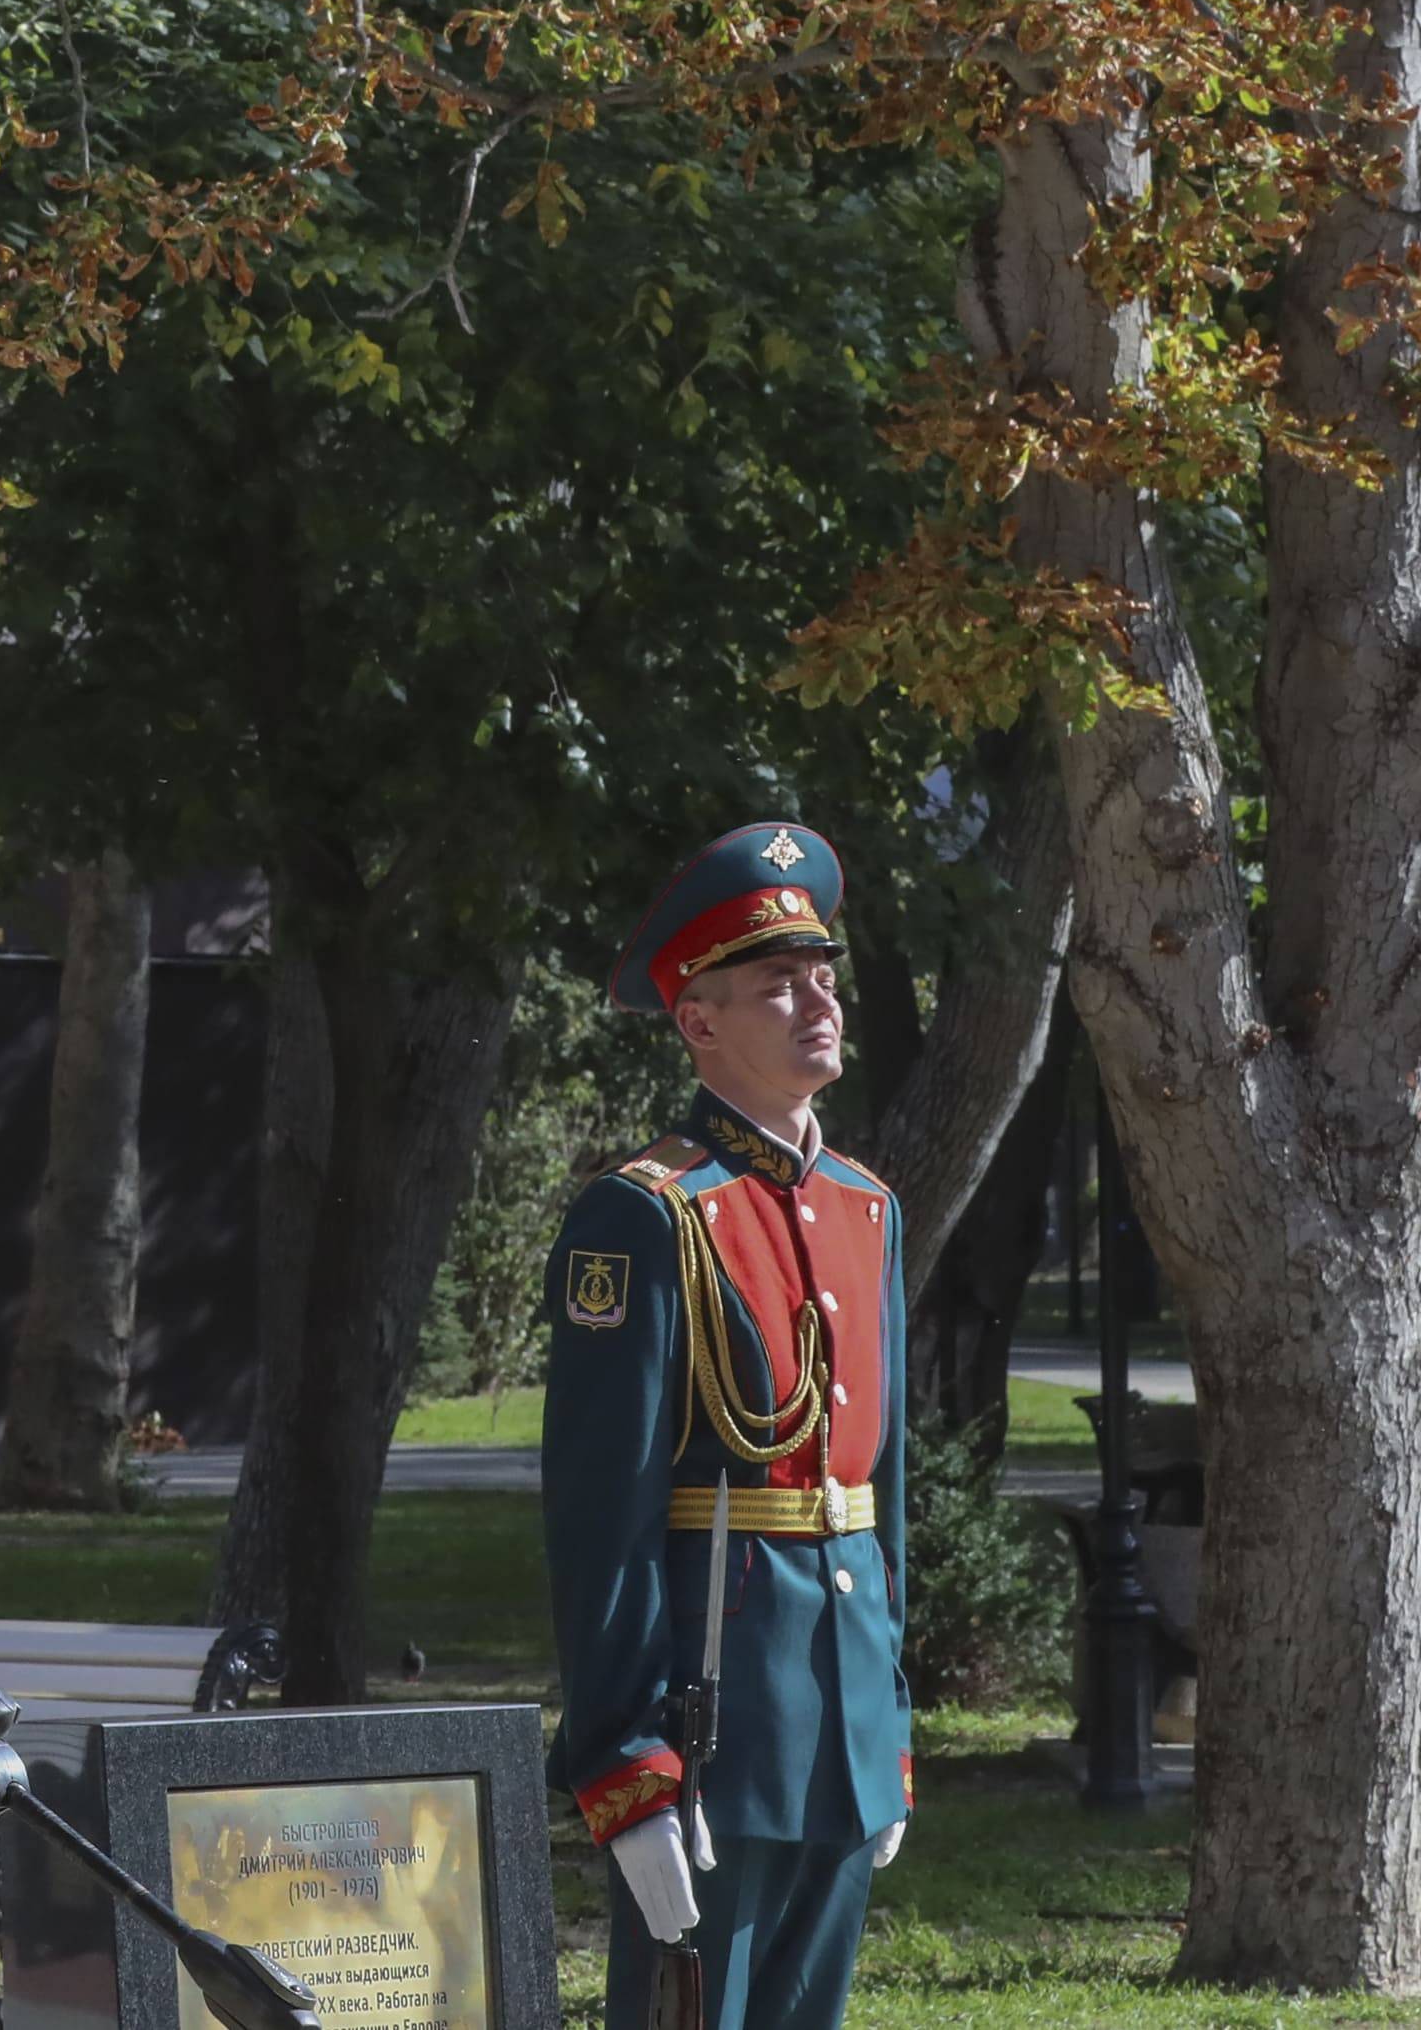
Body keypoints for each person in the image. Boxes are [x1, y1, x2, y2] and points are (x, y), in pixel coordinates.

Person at [543, 823, 909, 2030]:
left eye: (820, 976)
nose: (817, 1001)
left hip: (840, 1704)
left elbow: (879, 1489)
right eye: (773, 984)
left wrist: (887, 1717)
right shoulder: (643, 1214)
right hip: (715, 1709)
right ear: (697, 1021)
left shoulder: (865, 1207)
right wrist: (624, 1762)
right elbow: (601, 1516)